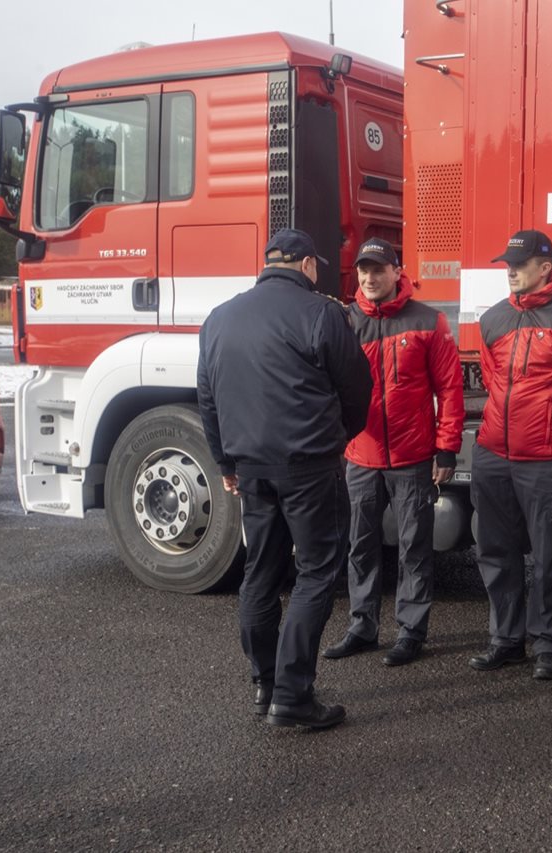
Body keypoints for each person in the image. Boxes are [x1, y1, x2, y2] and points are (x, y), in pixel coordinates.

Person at [196, 228, 371, 730]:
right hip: (308, 465)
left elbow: (207, 396)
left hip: (251, 467)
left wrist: (225, 463)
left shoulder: (219, 317)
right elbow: (357, 387)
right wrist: (339, 436)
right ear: (308, 265)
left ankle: (266, 685)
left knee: (261, 572)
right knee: (316, 572)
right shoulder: (321, 313)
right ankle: (293, 696)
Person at [469, 229, 552, 680]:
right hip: (493, 453)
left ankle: (549, 643)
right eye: (507, 264)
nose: (510, 271)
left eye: (520, 264)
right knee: (496, 551)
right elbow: (491, 379)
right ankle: (506, 640)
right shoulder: (493, 318)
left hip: (546, 459)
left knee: (550, 556)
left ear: (545, 267)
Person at [322, 238, 464, 667]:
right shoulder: (345, 321)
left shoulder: (428, 320)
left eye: (378, 270)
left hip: (412, 456)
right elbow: (328, 386)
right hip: (360, 456)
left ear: (397, 272)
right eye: (363, 270)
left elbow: (450, 388)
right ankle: (361, 627)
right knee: (360, 545)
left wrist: (447, 448)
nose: (369, 278)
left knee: (413, 548)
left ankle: (410, 632)